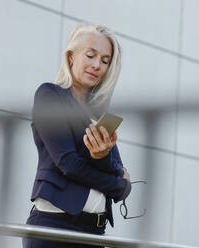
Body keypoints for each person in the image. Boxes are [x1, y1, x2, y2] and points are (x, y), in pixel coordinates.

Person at [22, 23, 131, 248]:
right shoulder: (50, 95)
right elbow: (68, 163)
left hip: (93, 233)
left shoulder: (100, 116)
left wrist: (103, 159)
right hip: (54, 227)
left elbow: (119, 174)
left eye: (105, 60)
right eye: (90, 55)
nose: (96, 65)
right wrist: (117, 185)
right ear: (71, 57)